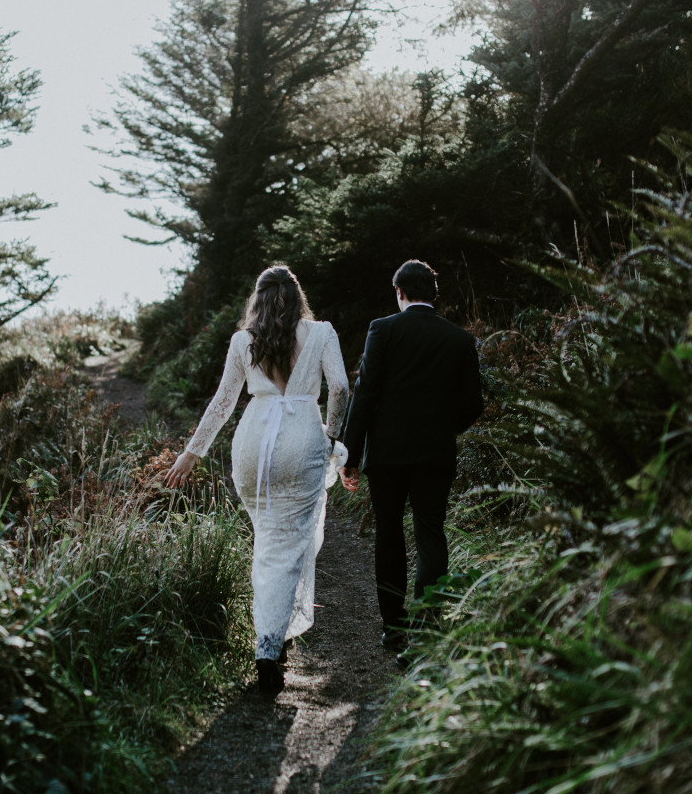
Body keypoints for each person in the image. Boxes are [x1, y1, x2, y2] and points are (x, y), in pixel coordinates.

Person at [165, 265, 349, 694]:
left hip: (252, 446)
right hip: (302, 439)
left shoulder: (242, 340)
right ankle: (269, 648)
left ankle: (272, 637)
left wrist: (191, 455)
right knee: (287, 548)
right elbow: (339, 387)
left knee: (270, 544)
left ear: (258, 298)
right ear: (297, 294)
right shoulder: (322, 333)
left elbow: (223, 402)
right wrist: (333, 437)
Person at [340, 259, 483, 656]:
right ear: (433, 294)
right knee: (430, 531)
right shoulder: (459, 339)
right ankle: (429, 623)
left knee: (389, 533)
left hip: (386, 454)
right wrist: (442, 427)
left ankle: (395, 628)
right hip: (435, 452)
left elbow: (365, 393)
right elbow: (473, 403)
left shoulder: (383, 329)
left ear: (399, 293)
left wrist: (350, 454)